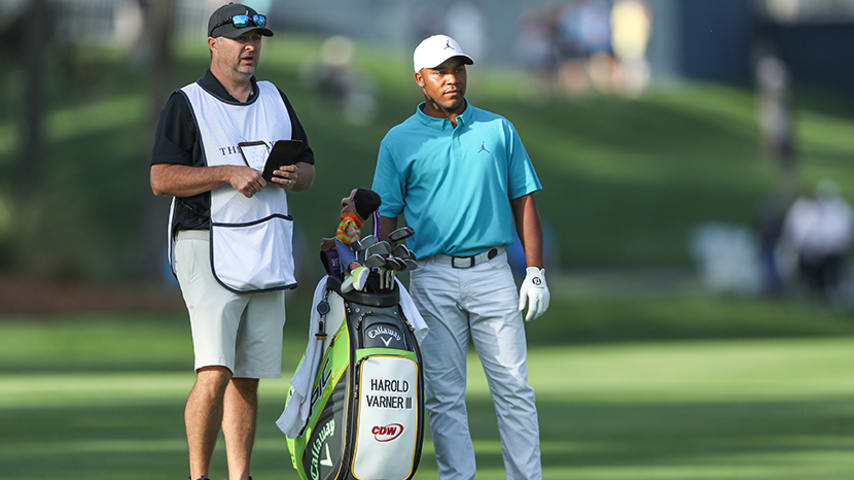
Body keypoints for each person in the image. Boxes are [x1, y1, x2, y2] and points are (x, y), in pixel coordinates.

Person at [370, 34, 551, 480]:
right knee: (445, 394)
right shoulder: (399, 141)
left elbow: (524, 201)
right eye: (440, 72)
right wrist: (379, 275)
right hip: (430, 276)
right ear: (420, 80)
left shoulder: (498, 129)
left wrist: (535, 271)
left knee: (513, 388)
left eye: (458, 70)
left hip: (492, 271)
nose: (452, 80)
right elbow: (385, 215)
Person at [149, 3, 315, 480]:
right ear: (213, 44)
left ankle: (239, 476)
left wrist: (292, 175)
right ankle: (199, 476)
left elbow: (307, 171)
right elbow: (161, 178)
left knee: (248, 376)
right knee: (215, 369)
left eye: (256, 39)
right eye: (240, 39)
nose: (250, 47)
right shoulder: (187, 103)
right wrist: (225, 173)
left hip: (265, 247)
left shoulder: (277, 100)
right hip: (205, 243)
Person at [320, 188, 382, 292]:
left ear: (355, 205)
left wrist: (353, 239)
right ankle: (348, 277)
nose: (345, 200)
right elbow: (341, 236)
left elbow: (350, 231)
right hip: (343, 242)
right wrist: (331, 242)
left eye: (350, 198)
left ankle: (356, 270)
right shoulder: (353, 220)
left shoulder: (348, 219)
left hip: (344, 244)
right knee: (343, 262)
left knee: (347, 257)